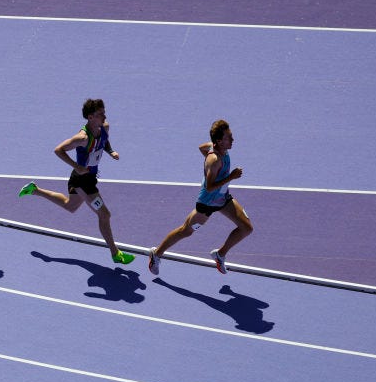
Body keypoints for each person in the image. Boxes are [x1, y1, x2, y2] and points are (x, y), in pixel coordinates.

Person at [18, 99, 135, 265]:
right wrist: (76, 166)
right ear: (90, 117)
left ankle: (34, 190)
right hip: (81, 181)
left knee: (70, 206)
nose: (104, 115)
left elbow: (104, 139)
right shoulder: (82, 138)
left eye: (104, 112)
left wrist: (110, 151)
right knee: (104, 214)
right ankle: (115, 253)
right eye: (100, 113)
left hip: (89, 178)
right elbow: (58, 150)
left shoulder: (104, 127)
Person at [148, 119, 253, 275]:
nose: (232, 140)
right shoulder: (214, 160)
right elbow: (209, 187)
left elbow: (202, 147)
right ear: (219, 140)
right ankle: (156, 254)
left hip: (223, 199)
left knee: (246, 228)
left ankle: (220, 254)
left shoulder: (218, 149)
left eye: (231, 136)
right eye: (228, 137)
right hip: (207, 203)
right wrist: (230, 176)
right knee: (186, 231)